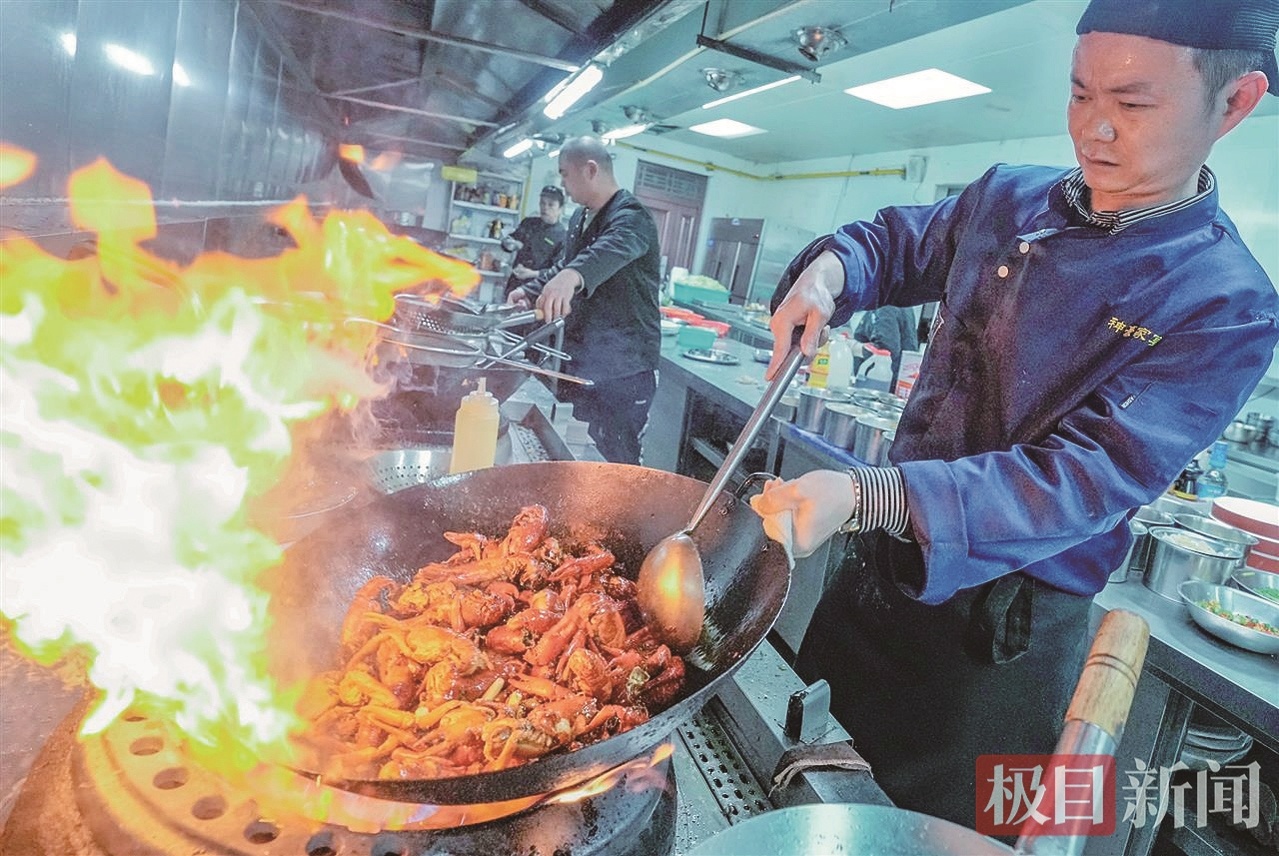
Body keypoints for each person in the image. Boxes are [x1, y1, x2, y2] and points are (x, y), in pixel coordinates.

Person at [753, 0, 1279, 832]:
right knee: (788, 787)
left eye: (1131, 103)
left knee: (929, 837)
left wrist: (866, 495)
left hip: (998, 643)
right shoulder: (1006, 198)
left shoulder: (1225, 301)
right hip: (874, 582)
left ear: (1234, 103)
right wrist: (830, 273)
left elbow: (1082, 479)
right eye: (1079, 93)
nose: (1092, 129)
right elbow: (892, 244)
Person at [509, 137, 662, 464]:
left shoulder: (632, 217)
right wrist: (532, 290)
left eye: (565, 174)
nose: (562, 183)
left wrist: (572, 276)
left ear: (590, 170)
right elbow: (565, 263)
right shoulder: (580, 217)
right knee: (578, 453)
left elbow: (610, 248)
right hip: (584, 361)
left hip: (625, 370)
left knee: (616, 462)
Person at [501, 185, 567, 297]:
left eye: (551, 204)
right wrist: (510, 244)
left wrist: (532, 274)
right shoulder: (528, 223)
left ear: (560, 209)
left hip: (537, 288)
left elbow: (558, 270)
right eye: (542, 203)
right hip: (515, 282)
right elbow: (509, 241)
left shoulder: (562, 236)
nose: (545, 208)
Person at [852, 305, 920, 382]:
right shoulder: (903, 305)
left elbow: (886, 351)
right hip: (901, 377)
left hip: (880, 381)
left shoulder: (886, 307)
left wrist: (855, 347)